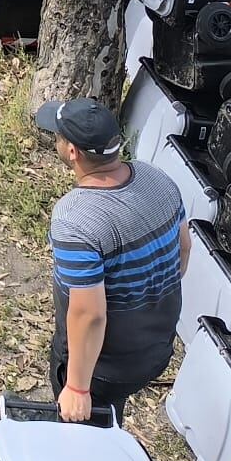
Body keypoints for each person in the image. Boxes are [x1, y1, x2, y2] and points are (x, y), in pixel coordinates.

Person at [36, 98, 188, 423]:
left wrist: (77, 388)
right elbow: (183, 250)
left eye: (59, 137)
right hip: (155, 346)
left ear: (73, 152)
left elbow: (89, 313)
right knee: (111, 410)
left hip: (104, 367)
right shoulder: (157, 179)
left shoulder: (76, 218)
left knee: (84, 431)